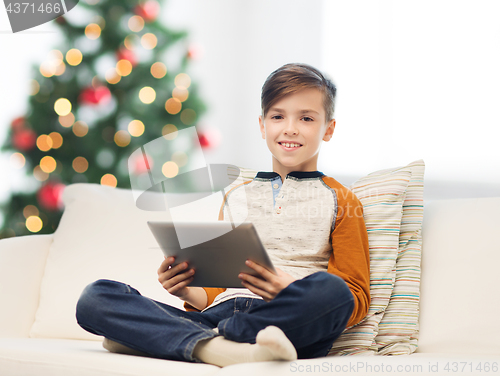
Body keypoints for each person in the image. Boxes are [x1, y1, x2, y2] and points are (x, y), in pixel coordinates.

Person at [76, 63, 370, 367]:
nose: (290, 128)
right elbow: (218, 286)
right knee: (96, 298)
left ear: (329, 129)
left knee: (334, 293)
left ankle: (173, 340)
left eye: (306, 118)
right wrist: (187, 288)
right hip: (219, 315)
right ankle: (223, 347)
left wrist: (288, 288)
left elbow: (355, 297)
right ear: (262, 125)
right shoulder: (236, 194)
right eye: (278, 116)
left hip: (284, 321)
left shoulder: (341, 199)